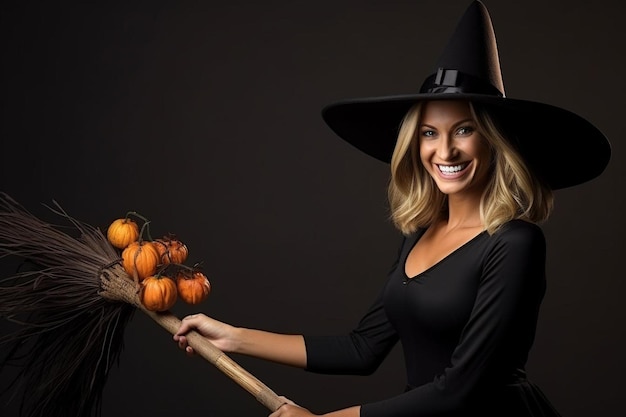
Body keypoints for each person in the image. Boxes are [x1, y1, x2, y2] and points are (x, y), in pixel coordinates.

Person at [173, 1, 611, 416]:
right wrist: (234, 337)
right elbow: (363, 348)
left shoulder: (516, 243)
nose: (445, 151)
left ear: (494, 141)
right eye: (428, 133)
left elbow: (461, 389)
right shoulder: (419, 234)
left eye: (464, 130)